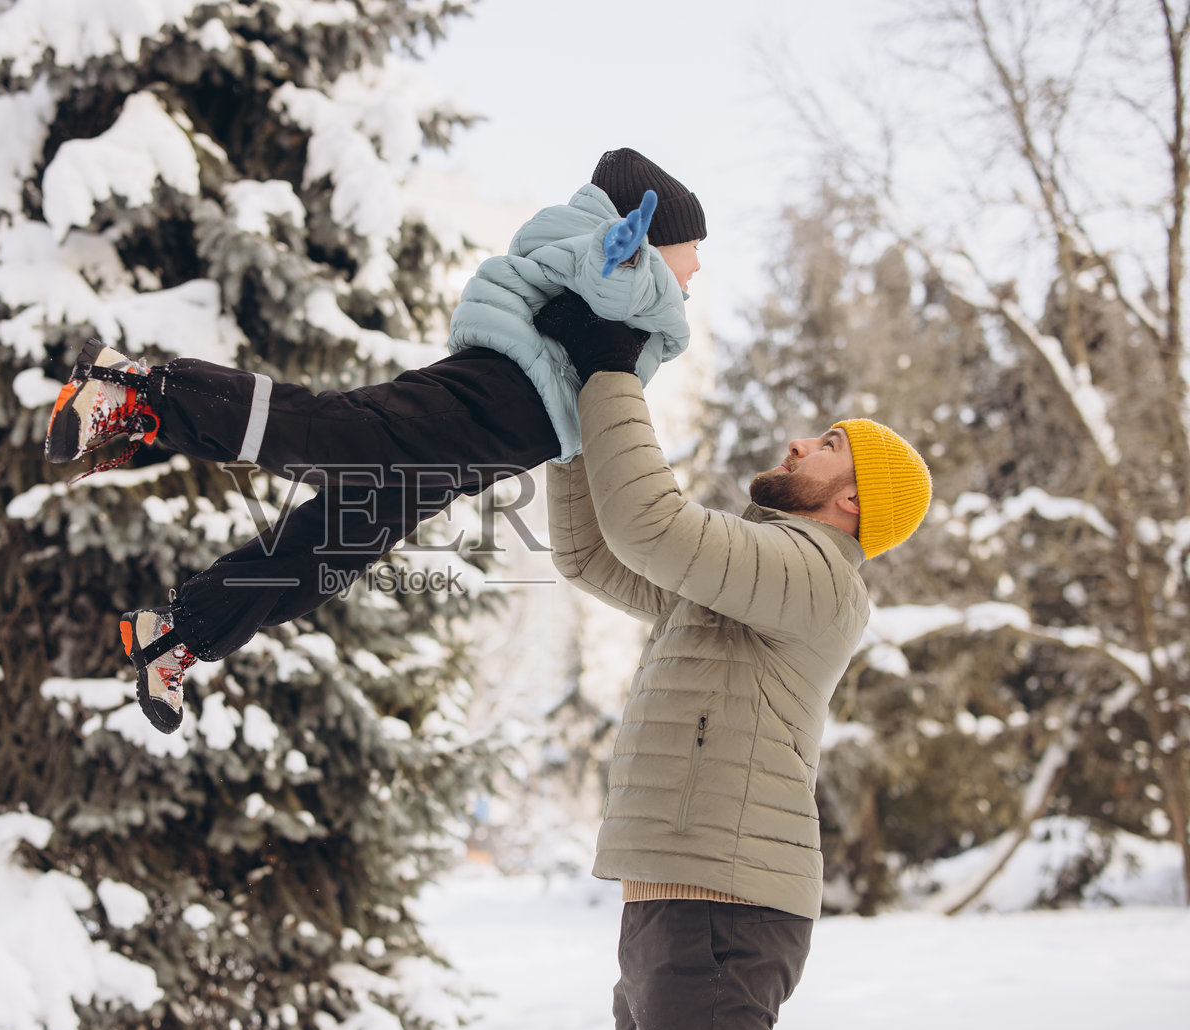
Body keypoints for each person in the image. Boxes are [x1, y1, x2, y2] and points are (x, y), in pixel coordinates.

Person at [43, 148, 707, 731]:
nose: (699, 265)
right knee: (327, 434)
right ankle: (134, 389)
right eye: (693, 246)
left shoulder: (624, 290)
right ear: (655, 239)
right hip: (480, 402)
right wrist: (618, 258)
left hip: (476, 450)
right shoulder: (607, 258)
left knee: (334, 545)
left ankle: (178, 634)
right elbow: (595, 268)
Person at [534, 292, 932, 1030]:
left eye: (825, 445)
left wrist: (611, 365)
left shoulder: (817, 577)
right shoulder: (748, 582)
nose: (795, 443)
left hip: (726, 908)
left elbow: (653, 524)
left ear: (852, 499)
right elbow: (593, 555)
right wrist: (572, 407)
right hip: (674, 898)